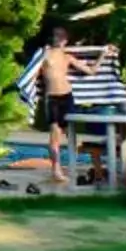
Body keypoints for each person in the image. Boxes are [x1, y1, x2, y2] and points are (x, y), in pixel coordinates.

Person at [36, 27, 80, 185]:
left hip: (67, 96)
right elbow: (34, 72)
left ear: (65, 41)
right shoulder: (44, 55)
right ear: (52, 38)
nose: (58, 39)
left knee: (71, 134)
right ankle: (56, 170)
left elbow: (91, 70)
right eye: (56, 36)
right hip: (52, 98)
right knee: (55, 135)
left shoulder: (67, 57)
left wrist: (104, 54)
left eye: (61, 37)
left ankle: (73, 166)